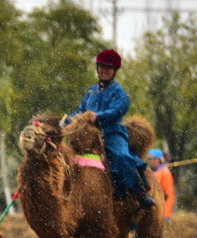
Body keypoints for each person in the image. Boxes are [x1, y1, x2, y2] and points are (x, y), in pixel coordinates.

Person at [66, 49, 157, 210]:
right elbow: (80, 111)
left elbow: (118, 110)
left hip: (112, 133)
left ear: (114, 71)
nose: (103, 71)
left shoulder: (119, 92)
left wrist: (98, 116)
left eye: (108, 69)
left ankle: (139, 192)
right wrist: (65, 121)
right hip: (89, 135)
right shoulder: (91, 91)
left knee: (122, 156)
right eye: (101, 67)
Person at [148, 148, 190, 238]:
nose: (151, 161)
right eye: (149, 159)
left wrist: (165, 213)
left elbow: (169, 194)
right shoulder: (154, 171)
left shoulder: (164, 173)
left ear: (159, 160)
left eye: (153, 159)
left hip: (159, 209)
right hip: (153, 208)